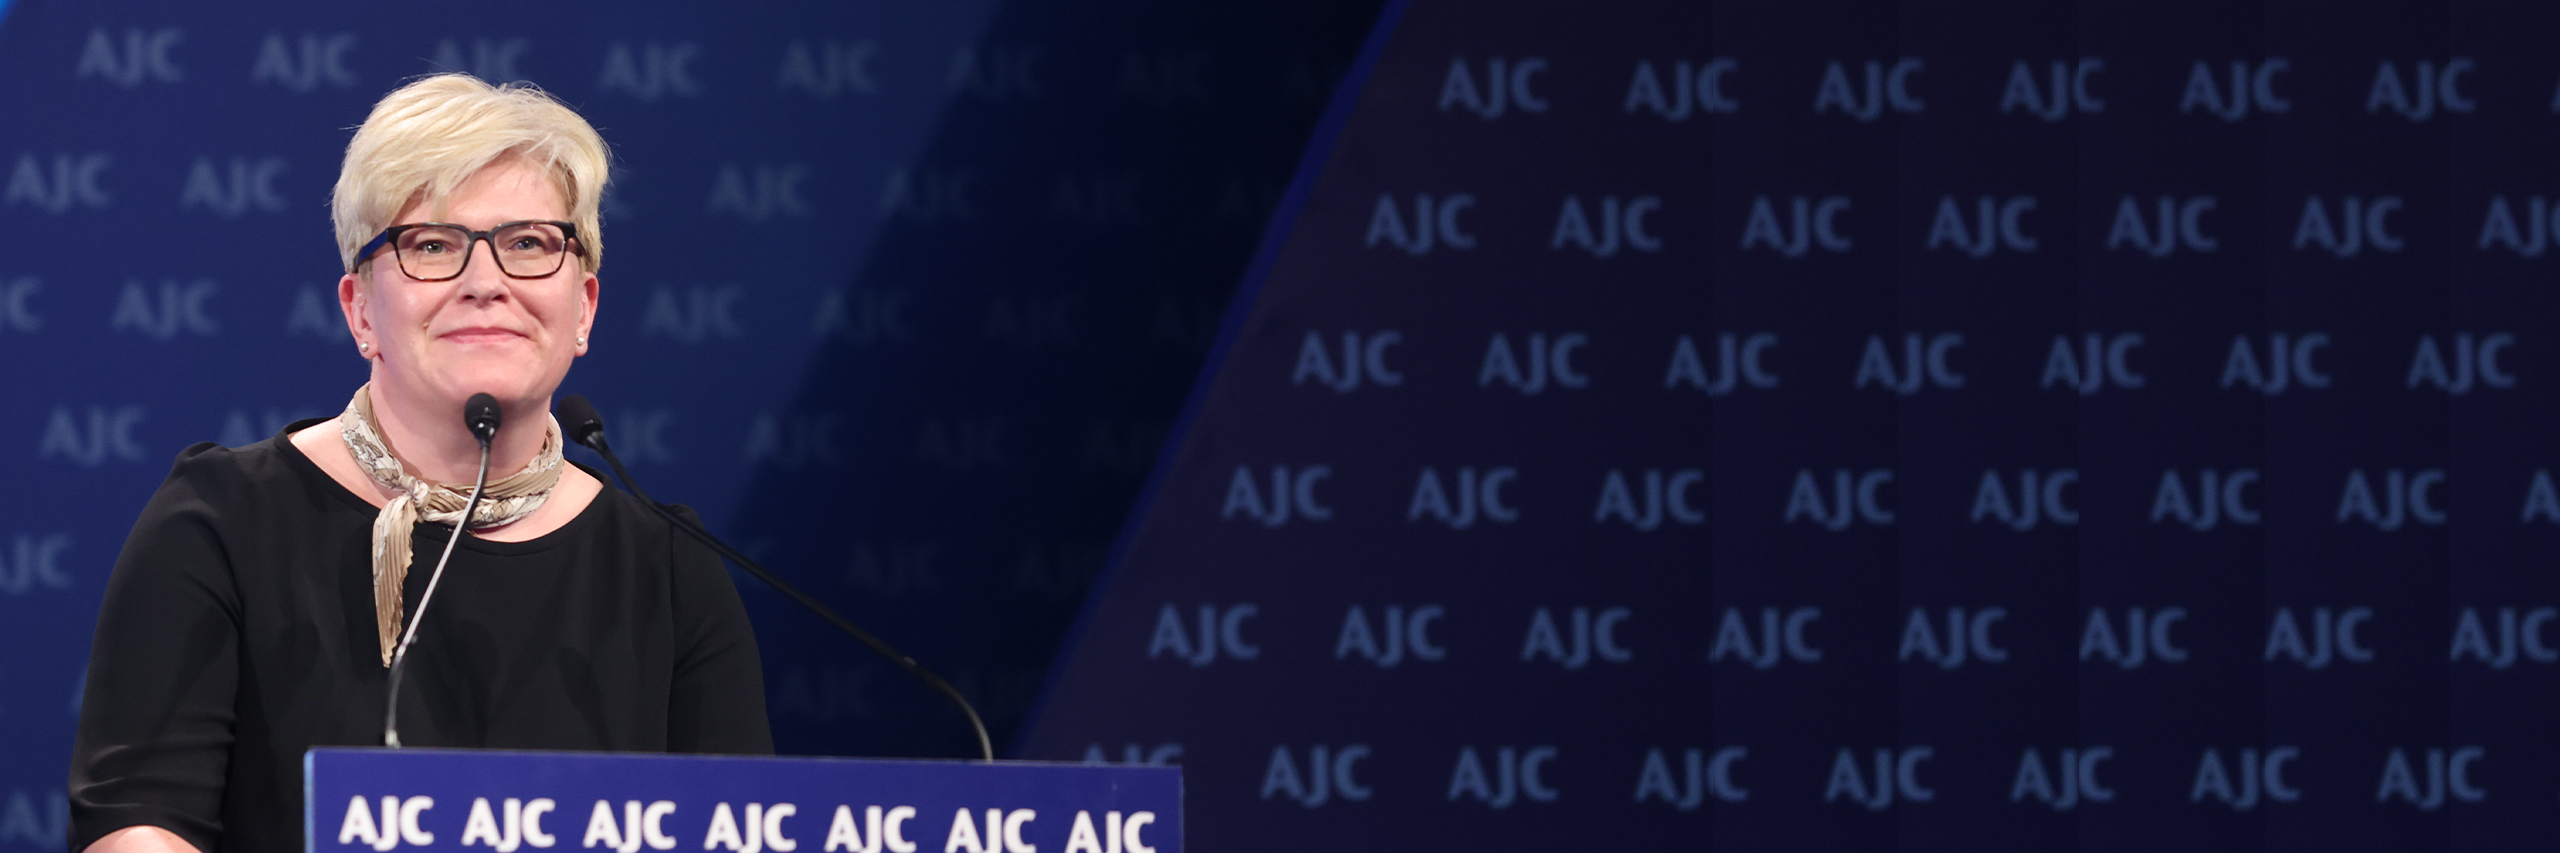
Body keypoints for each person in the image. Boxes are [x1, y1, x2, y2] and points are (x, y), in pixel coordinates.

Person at [67, 74, 772, 853]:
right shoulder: (221, 523)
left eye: (529, 243)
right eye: (432, 245)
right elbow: (138, 824)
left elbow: (738, 831)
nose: (486, 283)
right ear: (360, 310)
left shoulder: (668, 569)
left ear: (584, 308)